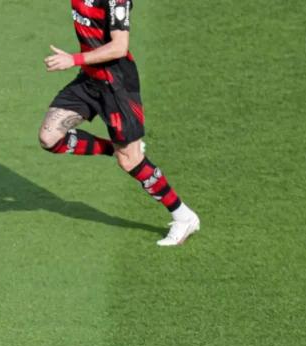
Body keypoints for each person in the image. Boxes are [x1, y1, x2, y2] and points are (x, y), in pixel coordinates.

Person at [40, 0, 200, 246]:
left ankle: (183, 216)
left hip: (117, 86)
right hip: (89, 80)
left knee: (130, 161)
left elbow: (120, 47)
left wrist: (74, 59)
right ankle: (113, 148)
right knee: (50, 138)